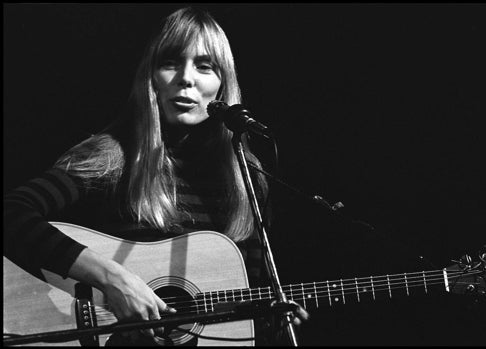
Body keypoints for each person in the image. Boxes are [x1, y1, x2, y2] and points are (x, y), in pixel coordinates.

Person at [3, 6, 308, 345]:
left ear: (223, 86)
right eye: (170, 63)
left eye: (205, 66)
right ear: (151, 78)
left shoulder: (246, 180)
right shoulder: (112, 156)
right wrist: (113, 279)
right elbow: (11, 213)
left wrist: (271, 321)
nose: (186, 78)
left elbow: (241, 314)